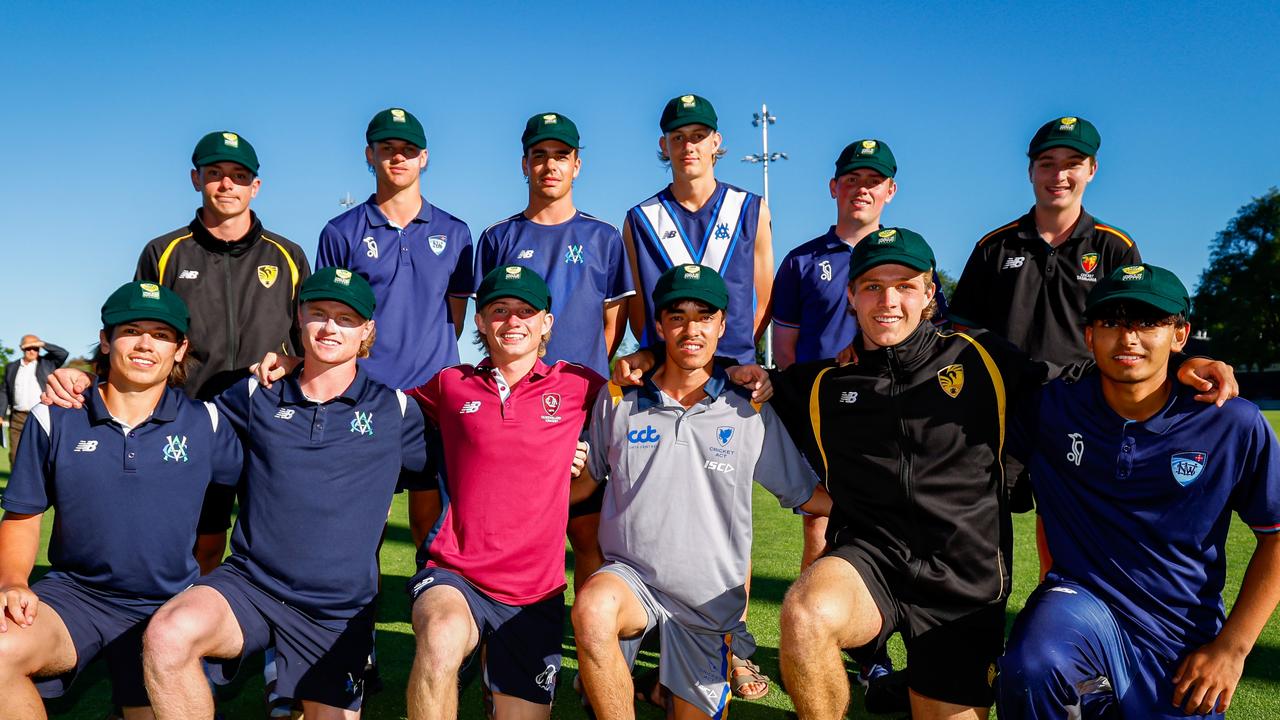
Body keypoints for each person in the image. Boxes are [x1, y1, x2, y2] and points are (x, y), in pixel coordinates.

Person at [757, 229, 1235, 720]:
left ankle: (908, 686)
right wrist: (747, 379)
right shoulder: (824, 384)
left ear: (928, 295)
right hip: (871, 561)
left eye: (904, 286)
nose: (888, 300)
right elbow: (734, 390)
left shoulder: (981, 358)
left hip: (963, 583)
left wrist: (1181, 361)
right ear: (852, 296)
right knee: (806, 613)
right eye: (873, 287)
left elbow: (1085, 380)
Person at [119, 267, 431, 720]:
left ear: (367, 330)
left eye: (346, 318)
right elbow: (167, 420)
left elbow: (447, 475)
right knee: (168, 635)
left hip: (337, 610)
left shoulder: (397, 411)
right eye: (318, 313)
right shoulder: (253, 394)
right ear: (298, 318)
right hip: (252, 583)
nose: (329, 327)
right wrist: (91, 383)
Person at [998, 264, 1280, 719]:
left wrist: (1232, 648)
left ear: (1181, 333)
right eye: (1111, 322)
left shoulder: (1231, 421)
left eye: (1149, 323)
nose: (1128, 338)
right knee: (1034, 665)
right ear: (1088, 336)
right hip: (1081, 607)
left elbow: (1277, 534)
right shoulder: (1051, 408)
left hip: (1183, 637)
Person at [572, 263, 831, 720]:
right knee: (592, 608)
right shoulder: (619, 397)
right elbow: (585, 482)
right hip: (632, 582)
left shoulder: (748, 407)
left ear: (722, 325)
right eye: (677, 316)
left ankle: (662, 688)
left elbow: (807, 494)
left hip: (708, 604)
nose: (691, 329)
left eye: (704, 316)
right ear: (659, 326)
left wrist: (885, 510)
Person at [0, 282, 241, 719]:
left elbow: (270, 487)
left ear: (180, 349)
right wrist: (14, 582)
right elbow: (22, 513)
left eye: (162, 334)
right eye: (131, 330)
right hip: (75, 597)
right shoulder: (54, 416)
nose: (146, 344)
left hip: (168, 606)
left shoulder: (207, 422)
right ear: (107, 340)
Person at [403, 265, 603, 720]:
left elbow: (646, 394)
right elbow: (369, 400)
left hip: (535, 591)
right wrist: (297, 365)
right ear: (479, 321)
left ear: (546, 322)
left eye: (525, 311)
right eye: (499, 310)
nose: (513, 321)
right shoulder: (450, 384)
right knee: (440, 639)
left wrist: (644, 361)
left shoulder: (581, 385)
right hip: (455, 572)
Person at [473, 111, 635, 592]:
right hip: (511, 408)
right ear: (524, 164)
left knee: (588, 535)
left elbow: (611, 325)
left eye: (561, 156)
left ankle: (589, 653)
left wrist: (577, 382)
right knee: (508, 530)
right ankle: (502, 638)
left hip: (579, 406)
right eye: (539, 155)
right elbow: (486, 323)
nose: (550, 166)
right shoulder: (498, 238)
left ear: (577, 165)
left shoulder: (602, 237)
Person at [948, 116, 1140, 367]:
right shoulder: (993, 246)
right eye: (1047, 164)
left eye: (1073, 164)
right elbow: (963, 330)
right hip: (1003, 397)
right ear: (1031, 172)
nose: (1059, 175)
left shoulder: (1116, 247)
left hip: (1083, 398)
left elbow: (1133, 334)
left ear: (1092, 170)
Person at [317, 107, 474, 391]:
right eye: (388, 148)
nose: (399, 157)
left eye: (409, 149)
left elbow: (456, 320)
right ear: (370, 154)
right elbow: (331, 319)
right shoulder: (340, 231)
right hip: (363, 390)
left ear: (423, 157)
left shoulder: (455, 232)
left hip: (436, 391)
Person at [623, 94, 774, 366]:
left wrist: (730, 351)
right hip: (666, 374)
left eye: (698, 136)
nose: (688, 146)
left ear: (715, 142)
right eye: (678, 137)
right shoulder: (640, 219)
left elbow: (764, 301)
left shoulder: (751, 209)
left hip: (734, 371)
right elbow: (638, 314)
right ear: (664, 145)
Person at [1, 334, 67, 465]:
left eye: (35, 348)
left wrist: (42, 344)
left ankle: (43, 484)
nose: (32, 351)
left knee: (43, 453)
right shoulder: (12, 367)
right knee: (15, 454)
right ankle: (19, 484)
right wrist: (0, 414)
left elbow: (63, 354)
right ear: (22, 348)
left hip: (43, 415)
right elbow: (3, 392)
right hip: (18, 417)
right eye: (28, 348)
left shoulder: (48, 363)